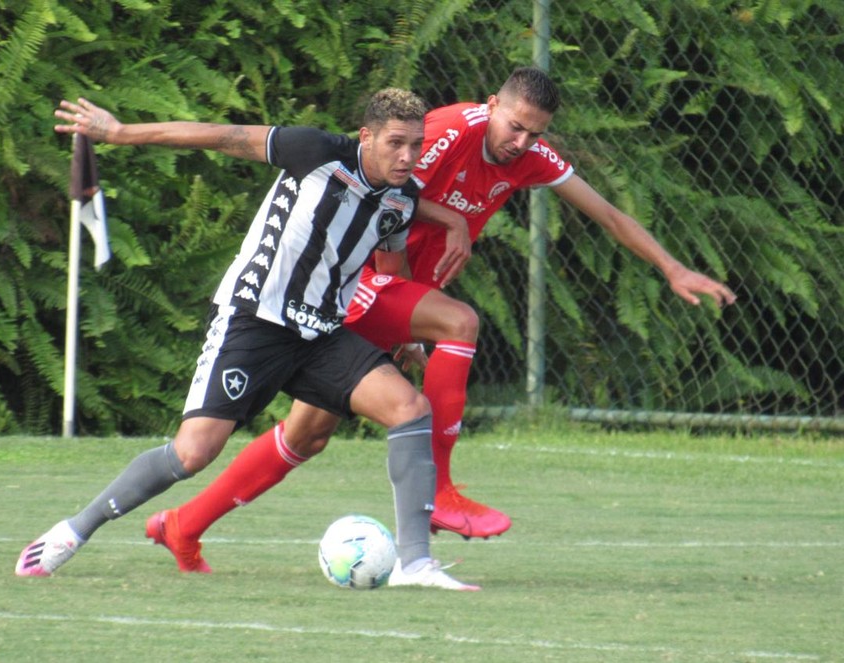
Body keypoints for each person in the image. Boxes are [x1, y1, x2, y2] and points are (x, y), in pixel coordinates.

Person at [150, 66, 738, 565]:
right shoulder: (446, 131)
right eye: (514, 126)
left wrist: (670, 267)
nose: (521, 143)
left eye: (534, 133)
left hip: (392, 293)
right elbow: (384, 205)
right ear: (492, 107)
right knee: (460, 322)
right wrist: (420, 287)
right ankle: (443, 490)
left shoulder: (529, 156)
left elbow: (607, 213)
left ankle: (184, 526)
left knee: (309, 434)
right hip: (366, 281)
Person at [14, 88, 480, 591]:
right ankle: (72, 532)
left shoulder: (400, 199)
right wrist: (120, 133)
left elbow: (392, 265)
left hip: (321, 334)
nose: (408, 157)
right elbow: (220, 137)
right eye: (396, 143)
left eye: (416, 144)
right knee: (192, 454)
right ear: (366, 137)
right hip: (254, 321)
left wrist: (405, 333)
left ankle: (415, 565)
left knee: (409, 409)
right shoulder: (315, 152)